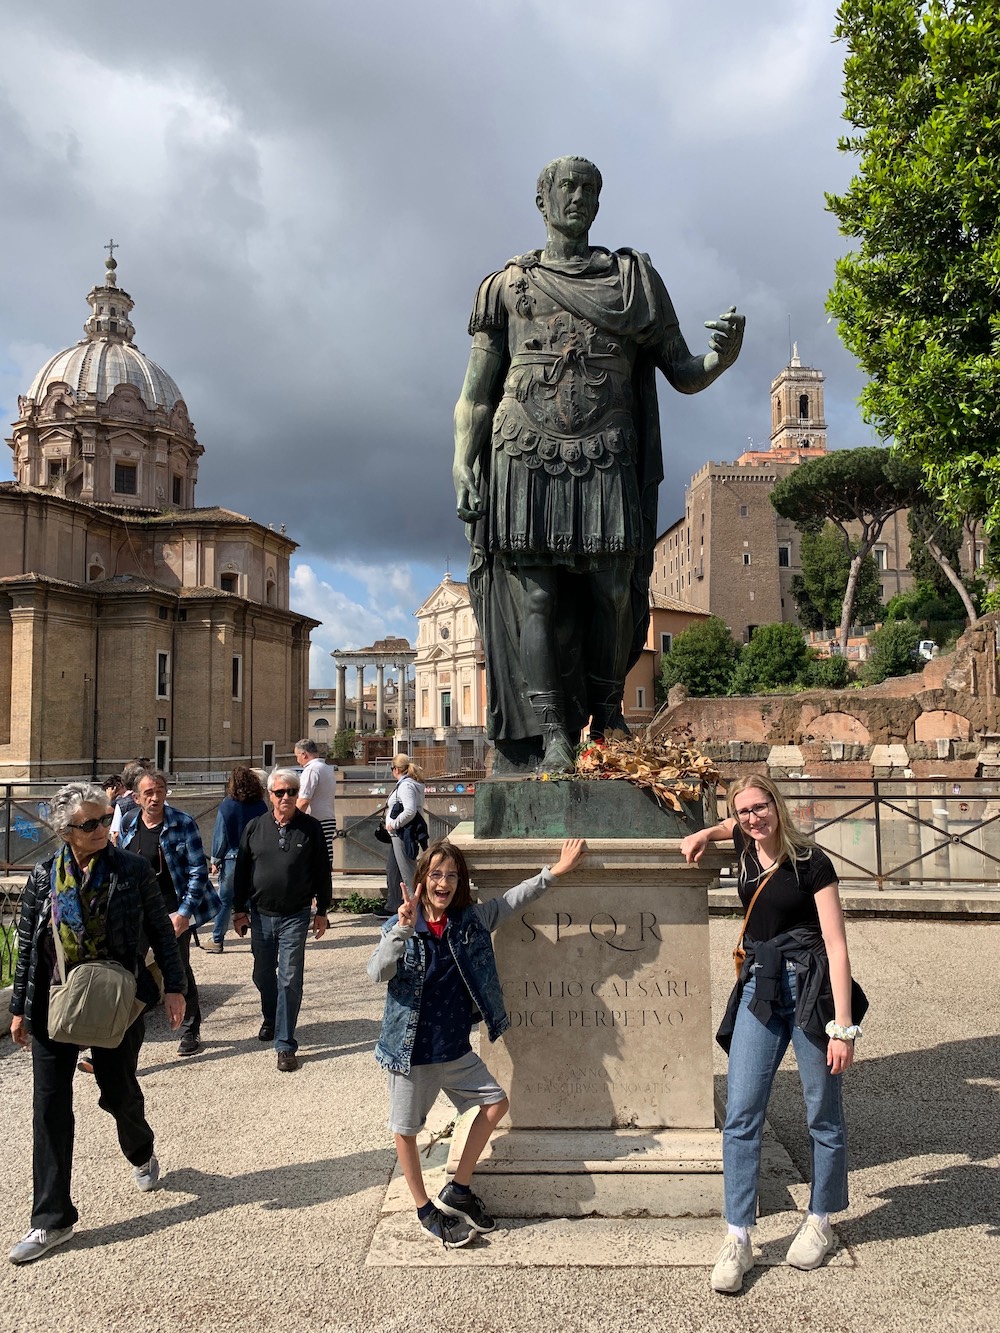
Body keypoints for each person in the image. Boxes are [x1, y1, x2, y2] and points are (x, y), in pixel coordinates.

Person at [454, 157, 744, 773]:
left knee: (614, 591)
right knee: (536, 599)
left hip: (608, 452)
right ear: (543, 200)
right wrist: (463, 463)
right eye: (567, 187)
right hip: (523, 453)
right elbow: (476, 393)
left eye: (590, 188)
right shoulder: (504, 287)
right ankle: (553, 733)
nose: (579, 197)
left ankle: (608, 713)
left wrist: (721, 359)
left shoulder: (634, 282)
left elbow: (683, 371)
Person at [680, 774, 862, 1295]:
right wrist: (704, 834)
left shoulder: (811, 861)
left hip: (809, 986)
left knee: (821, 1109)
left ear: (777, 806)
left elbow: (837, 945)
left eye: (760, 808)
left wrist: (843, 1029)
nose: (753, 818)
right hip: (760, 986)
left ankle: (821, 1218)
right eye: (744, 812)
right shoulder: (743, 841)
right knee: (742, 1112)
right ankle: (738, 1234)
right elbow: (727, 827)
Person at [368, 835, 587, 1248]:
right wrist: (401, 929)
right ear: (422, 879)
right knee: (406, 1129)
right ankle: (424, 1209)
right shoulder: (403, 926)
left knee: (495, 1103)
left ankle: (458, 1189)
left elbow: (513, 900)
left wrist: (555, 871)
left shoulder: (470, 920)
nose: (444, 883)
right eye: (436, 875)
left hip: (454, 1049)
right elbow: (377, 972)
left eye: (452, 875)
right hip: (413, 1053)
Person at [7, 781, 186, 1265]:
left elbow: (160, 930)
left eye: (105, 819)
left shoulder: (131, 870)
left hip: (115, 1001)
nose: (102, 828)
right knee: (49, 1107)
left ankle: (141, 1150)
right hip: (55, 1003)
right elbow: (28, 947)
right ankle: (52, 1219)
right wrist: (20, 1008)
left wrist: (174, 987)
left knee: (118, 1092)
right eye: (90, 823)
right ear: (65, 830)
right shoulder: (44, 876)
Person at [232, 768, 332, 1073]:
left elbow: (322, 871)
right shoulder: (254, 827)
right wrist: (238, 910)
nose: (286, 797)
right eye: (280, 792)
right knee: (262, 974)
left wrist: (322, 911)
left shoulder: (311, 828)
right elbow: (241, 871)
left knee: (289, 978)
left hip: (295, 915)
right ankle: (272, 1016)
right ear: (270, 795)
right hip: (261, 915)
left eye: (292, 791)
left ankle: (285, 1043)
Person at [118, 771, 220, 1057]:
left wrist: (184, 914)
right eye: (148, 793)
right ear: (136, 798)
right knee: (126, 968)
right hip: (136, 911)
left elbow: (198, 871)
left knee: (178, 968)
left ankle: (190, 1029)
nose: (155, 797)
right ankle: (119, 1035)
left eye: (160, 790)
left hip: (171, 908)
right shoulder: (128, 823)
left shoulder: (182, 823)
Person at [206, 766, 268, 953]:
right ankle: (260, 941)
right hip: (256, 857)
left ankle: (217, 939)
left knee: (224, 901)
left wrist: (215, 859)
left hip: (232, 857)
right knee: (255, 901)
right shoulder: (260, 805)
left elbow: (221, 835)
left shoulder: (228, 804)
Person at [383, 753, 426, 916]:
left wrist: (394, 824)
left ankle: (416, 910)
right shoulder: (406, 784)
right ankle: (393, 905)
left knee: (408, 873)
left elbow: (410, 810)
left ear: (396, 769)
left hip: (402, 833)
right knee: (393, 869)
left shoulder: (406, 786)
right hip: (398, 833)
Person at [294, 739, 337, 869]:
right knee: (325, 854)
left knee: (311, 857)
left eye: (297, 756)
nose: (297, 760)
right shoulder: (326, 768)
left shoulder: (311, 770)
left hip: (315, 819)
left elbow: (304, 800)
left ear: (304, 754)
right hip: (328, 818)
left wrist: (292, 819)